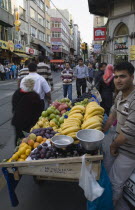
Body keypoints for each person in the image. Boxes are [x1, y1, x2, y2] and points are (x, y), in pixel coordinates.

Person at [103, 62, 135, 210]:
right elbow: (113, 113)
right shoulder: (121, 94)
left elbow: (127, 134)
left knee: (115, 182)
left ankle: (111, 206)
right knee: (107, 174)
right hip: (118, 144)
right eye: (116, 77)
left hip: (130, 150)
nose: (118, 80)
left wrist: (113, 145)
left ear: (132, 77)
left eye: (123, 76)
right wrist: (102, 130)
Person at [12, 78, 43, 145]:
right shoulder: (35, 96)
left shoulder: (17, 92)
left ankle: (16, 152)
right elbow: (39, 112)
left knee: (18, 139)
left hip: (18, 122)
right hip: (29, 125)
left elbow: (14, 107)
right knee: (28, 142)